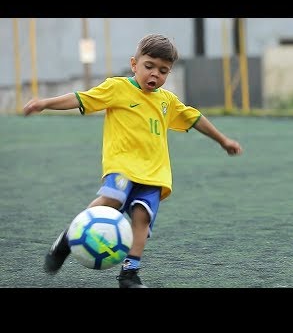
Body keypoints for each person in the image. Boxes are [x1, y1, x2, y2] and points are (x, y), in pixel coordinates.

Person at [23, 33, 243, 288]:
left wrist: (223, 140)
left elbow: (195, 119)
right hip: (122, 166)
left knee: (142, 218)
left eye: (163, 71)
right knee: (112, 199)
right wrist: (43, 104)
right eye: (149, 66)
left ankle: (129, 273)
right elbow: (80, 98)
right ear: (134, 64)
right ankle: (68, 240)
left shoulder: (166, 101)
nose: (155, 75)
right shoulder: (117, 88)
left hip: (154, 174)